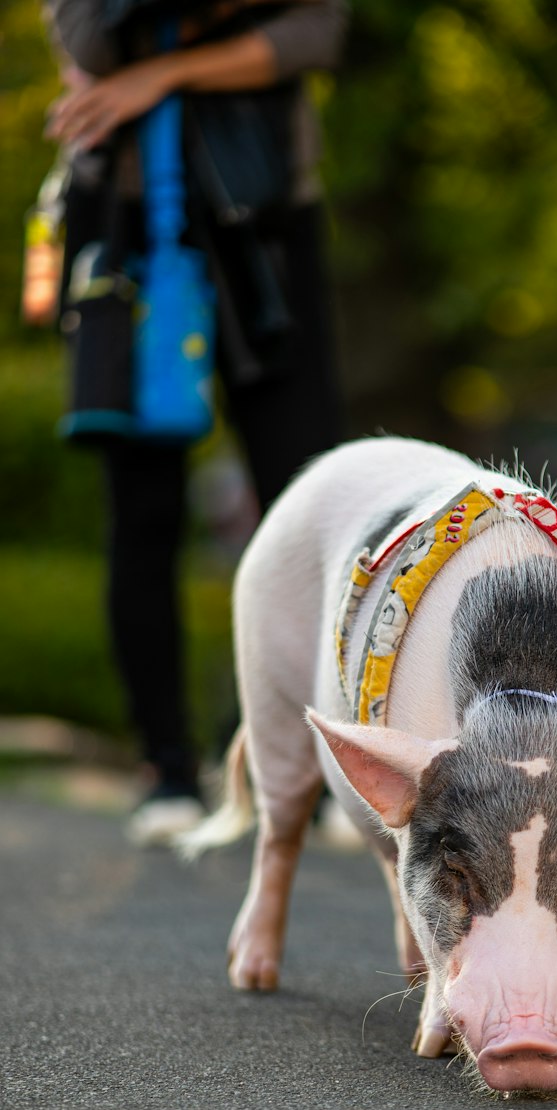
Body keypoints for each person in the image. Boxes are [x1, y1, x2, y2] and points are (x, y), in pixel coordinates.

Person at [45, 0, 348, 844]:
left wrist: (162, 71)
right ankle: (166, 768)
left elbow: (317, 32)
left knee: (306, 495)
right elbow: (85, 36)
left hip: (269, 223)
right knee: (142, 508)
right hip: (127, 227)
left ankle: (316, 768)